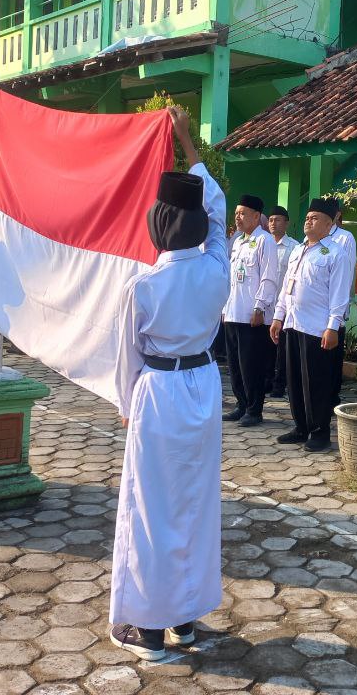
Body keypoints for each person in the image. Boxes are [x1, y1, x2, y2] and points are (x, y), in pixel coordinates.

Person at [110, 107, 230, 662]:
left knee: (151, 508)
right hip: (203, 386)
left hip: (157, 394)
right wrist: (188, 143)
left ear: (157, 224)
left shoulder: (143, 286)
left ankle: (151, 628)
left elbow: (126, 359)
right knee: (194, 503)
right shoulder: (216, 269)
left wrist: (127, 405)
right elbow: (218, 209)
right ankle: (184, 618)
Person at [270, 198, 353, 452]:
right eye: (307, 217)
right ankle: (301, 426)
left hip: (317, 328)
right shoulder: (298, 250)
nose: (308, 221)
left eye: (315, 218)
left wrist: (333, 326)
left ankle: (320, 432)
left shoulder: (336, 253)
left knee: (316, 382)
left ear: (329, 224)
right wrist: (278, 316)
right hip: (293, 324)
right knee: (294, 380)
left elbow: (340, 294)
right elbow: (287, 287)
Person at [222, 193, 279, 427]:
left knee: (251, 365)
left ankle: (255, 410)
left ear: (256, 216)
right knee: (234, 365)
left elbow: (269, 277)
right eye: (236, 213)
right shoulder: (237, 242)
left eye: (243, 213)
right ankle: (241, 404)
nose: (238, 217)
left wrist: (260, 306)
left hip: (251, 315)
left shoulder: (265, 241)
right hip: (232, 312)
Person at [327, 201, 357, 409]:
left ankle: (332, 397)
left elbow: (346, 274)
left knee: (332, 358)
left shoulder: (345, 238)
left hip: (335, 309)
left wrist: (340, 307)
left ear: (337, 215)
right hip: (314, 312)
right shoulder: (309, 239)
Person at [267, 206, 300, 398]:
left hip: (283, 306)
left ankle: (279, 384)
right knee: (265, 348)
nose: (273, 223)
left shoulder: (294, 247)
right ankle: (267, 381)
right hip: (265, 306)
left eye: (278, 219)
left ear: (286, 223)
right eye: (271, 220)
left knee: (282, 349)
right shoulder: (263, 243)